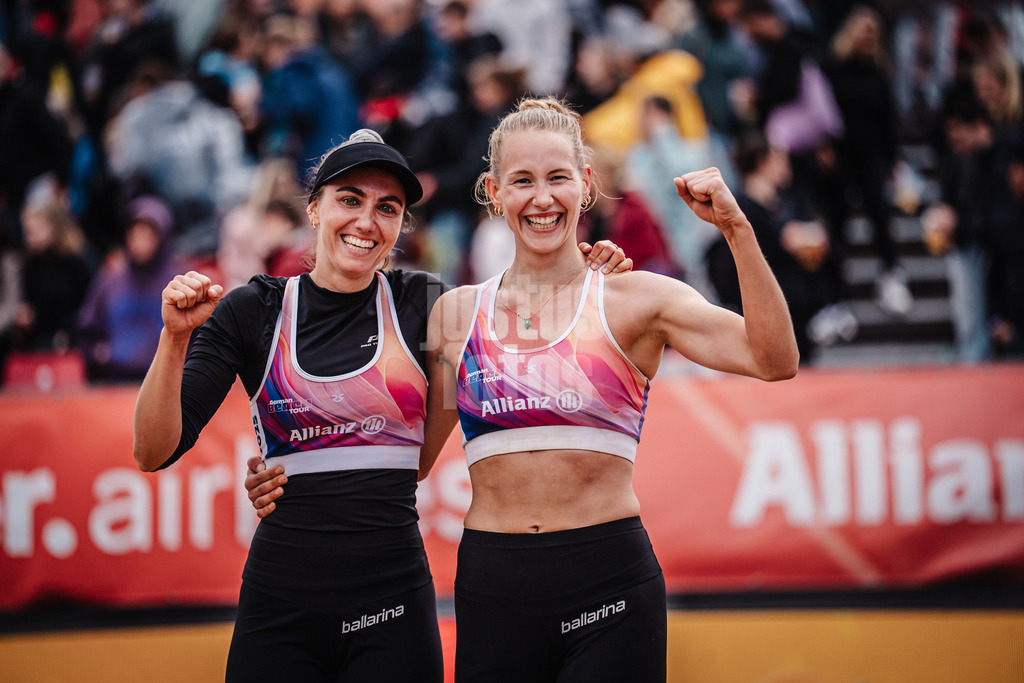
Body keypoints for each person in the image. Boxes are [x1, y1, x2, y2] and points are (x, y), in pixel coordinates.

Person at [250, 98, 798, 682]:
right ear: (492, 190)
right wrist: (291, 471)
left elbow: (773, 358)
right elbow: (405, 459)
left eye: (558, 177)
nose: (542, 198)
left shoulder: (638, 299)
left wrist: (737, 229)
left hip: (609, 580)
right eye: (522, 181)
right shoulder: (452, 314)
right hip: (494, 588)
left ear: (586, 184)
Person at [133, 128, 630, 682]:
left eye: (387, 208)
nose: (367, 222)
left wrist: (588, 273)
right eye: (350, 200)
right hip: (280, 606)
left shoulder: (427, 306)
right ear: (314, 209)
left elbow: (532, 321)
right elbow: (154, 450)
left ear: (399, 225)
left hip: (391, 607)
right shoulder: (253, 310)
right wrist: (174, 339)